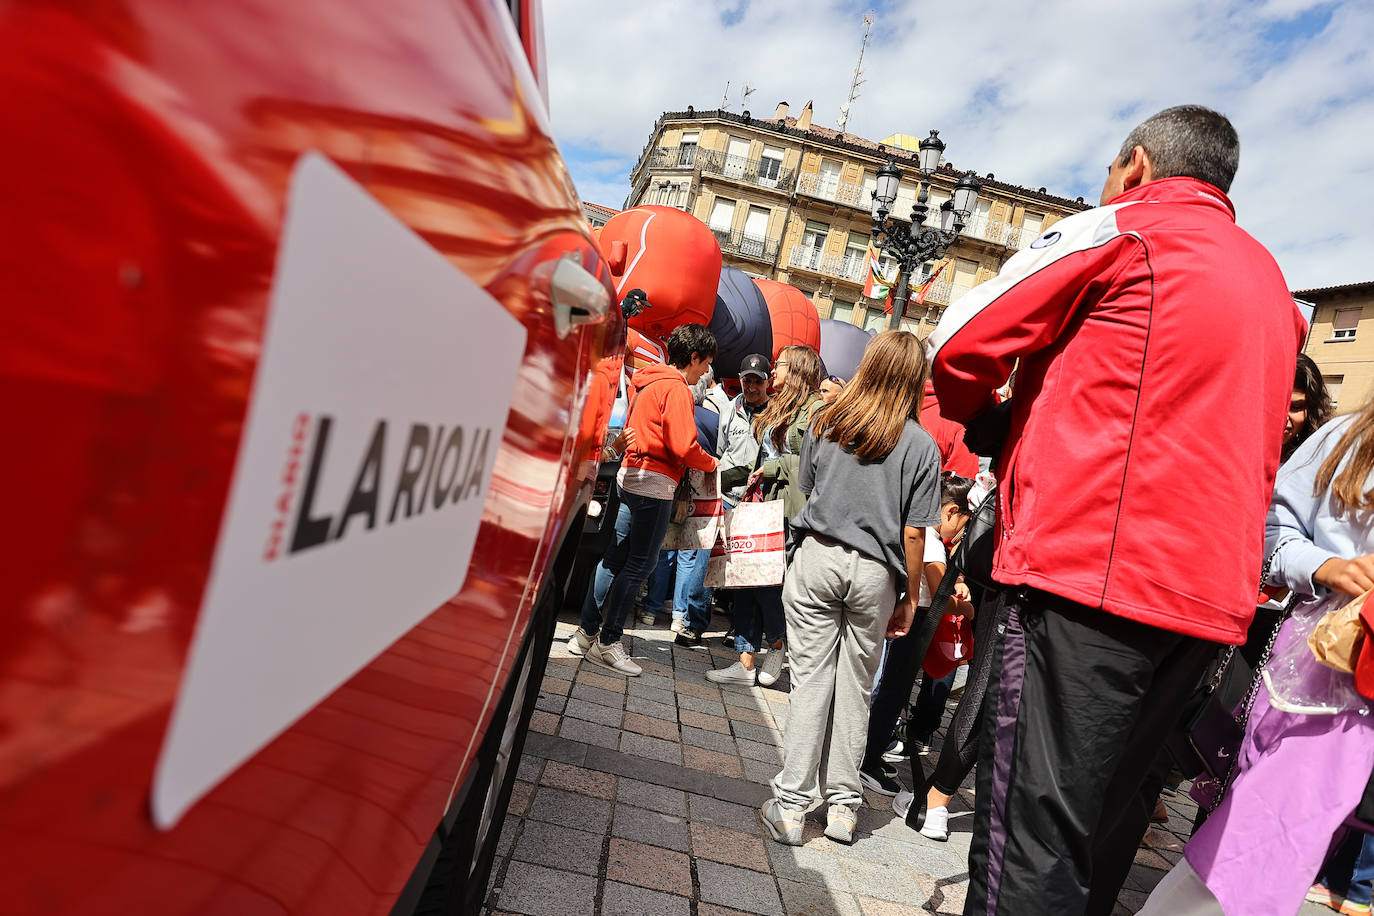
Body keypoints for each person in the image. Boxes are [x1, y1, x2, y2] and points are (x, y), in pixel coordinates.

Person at [926, 104, 1306, 915]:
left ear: (1136, 165)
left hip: (1089, 572)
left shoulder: (1129, 229)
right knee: (1100, 832)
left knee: (1030, 833)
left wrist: (990, 418)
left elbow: (957, 342)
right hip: (1204, 603)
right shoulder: (1274, 286)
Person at [1139, 397, 1374, 915]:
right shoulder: (1346, 440)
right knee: (1260, 846)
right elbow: (1271, 531)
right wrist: (1327, 565)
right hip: (1320, 677)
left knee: (1275, 851)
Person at [759, 330, 943, 847]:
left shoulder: (827, 419)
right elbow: (914, 531)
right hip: (877, 573)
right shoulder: (920, 446)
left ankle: (792, 806)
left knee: (811, 683)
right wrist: (908, 595)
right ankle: (842, 809)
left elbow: (811, 488)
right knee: (857, 690)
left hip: (818, 555)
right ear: (914, 380)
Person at [569, 324, 718, 676]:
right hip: (655, 482)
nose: (704, 373)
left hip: (630, 475)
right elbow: (683, 445)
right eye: (704, 364)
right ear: (693, 357)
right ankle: (608, 641)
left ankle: (586, 633)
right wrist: (712, 462)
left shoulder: (648, 380)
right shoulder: (676, 388)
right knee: (639, 564)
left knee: (614, 558)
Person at [706, 345, 823, 686]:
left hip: (787, 507)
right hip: (757, 501)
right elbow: (757, 455)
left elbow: (815, 464)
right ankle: (743, 663)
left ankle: (776, 643)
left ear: (797, 370)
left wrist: (771, 468)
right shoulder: (778, 405)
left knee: (769, 584)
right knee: (744, 578)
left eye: (780, 366)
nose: (774, 372)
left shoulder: (816, 410)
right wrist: (727, 479)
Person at [858, 473, 975, 800]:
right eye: (963, 523)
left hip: (912, 620)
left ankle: (873, 753)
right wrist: (967, 611)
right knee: (892, 694)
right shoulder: (934, 544)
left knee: (893, 692)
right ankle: (869, 761)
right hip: (914, 621)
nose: (961, 532)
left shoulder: (927, 537)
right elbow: (940, 595)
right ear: (951, 512)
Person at [717, 354, 771, 505]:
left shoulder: (777, 414)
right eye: (747, 381)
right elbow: (720, 451)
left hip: (756, 500)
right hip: (725, 497)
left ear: (769, 382)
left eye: (758, 382)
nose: (751, 387)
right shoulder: (728, 408)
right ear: (740, 378)